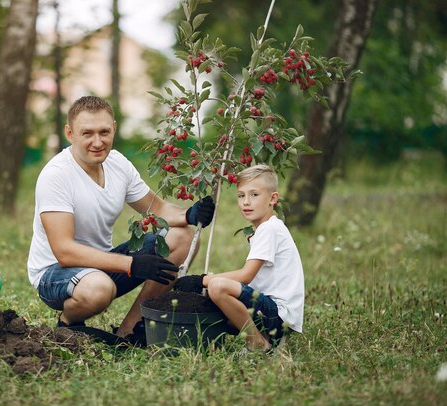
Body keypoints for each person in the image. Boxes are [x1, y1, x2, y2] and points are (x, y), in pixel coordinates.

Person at [27, 96, 215, 345]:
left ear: (114, 128)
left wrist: (189, 214)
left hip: (102, 265)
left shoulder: (117, 164)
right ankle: (68, 322)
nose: (97, 142)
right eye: (87, 133)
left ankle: (131, 329)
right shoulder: (56, 175)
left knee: (181, 236)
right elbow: (64, 252)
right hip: (55, 274)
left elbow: (156, 207)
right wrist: (131, 264)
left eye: (104, 132)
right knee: (99, 289)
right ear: (70, 134)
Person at [174, 164, 304, 352]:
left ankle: (259, 344)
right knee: (215, 292)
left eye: (254, 195)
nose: (246, 202)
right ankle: (267, 338)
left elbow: (246, 276)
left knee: (217, 286)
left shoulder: (269, 229)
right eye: (241, 195)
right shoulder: (268, 228)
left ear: (273, 199)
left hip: (279, 315)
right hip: (271, 311)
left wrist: (201, 280)